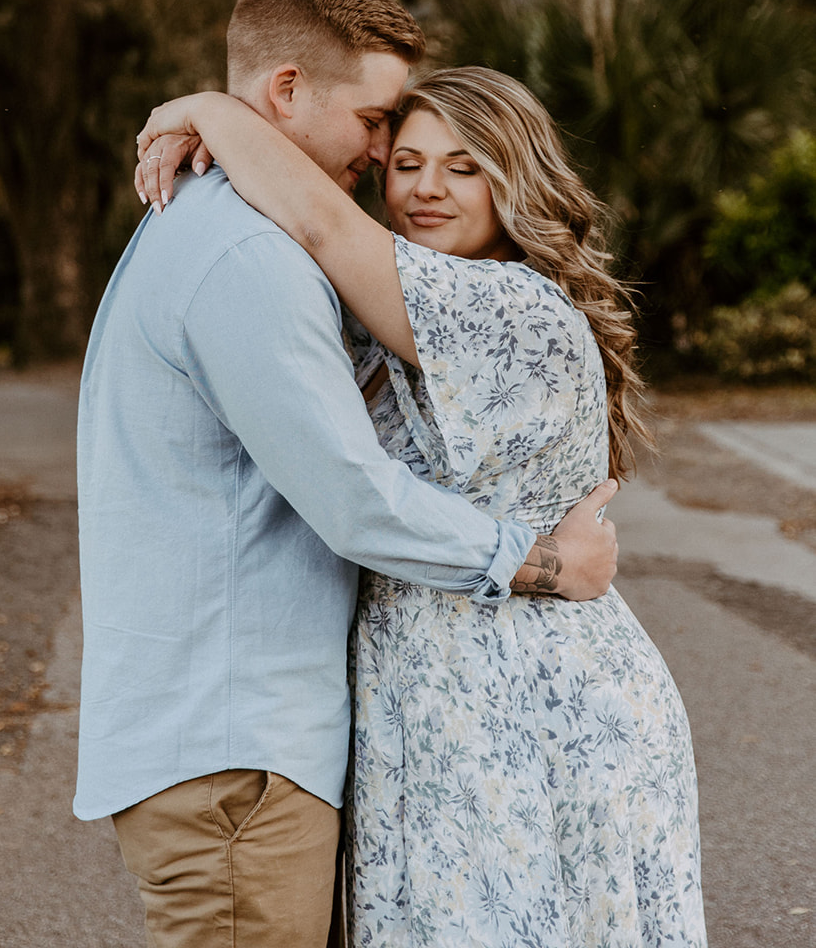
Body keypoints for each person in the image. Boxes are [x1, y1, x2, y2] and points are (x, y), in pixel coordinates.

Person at [76, 0, 618, 948]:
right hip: (235, 757)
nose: (384, 158)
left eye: (457, 164)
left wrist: (208, 110)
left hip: (237, 746)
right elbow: (351, 496)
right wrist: (537, 559)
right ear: (285, 92)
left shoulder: (228, 226)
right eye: (377, 125)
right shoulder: (247, 252)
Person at [137, 64, 706, 948]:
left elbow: (321, 221)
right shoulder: (401, 309)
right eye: (405, 161)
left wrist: (208, 108)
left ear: (516, 180)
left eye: (464, 165)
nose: (426, 188)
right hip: (434, 697)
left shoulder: (508, 307)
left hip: (529, 706)